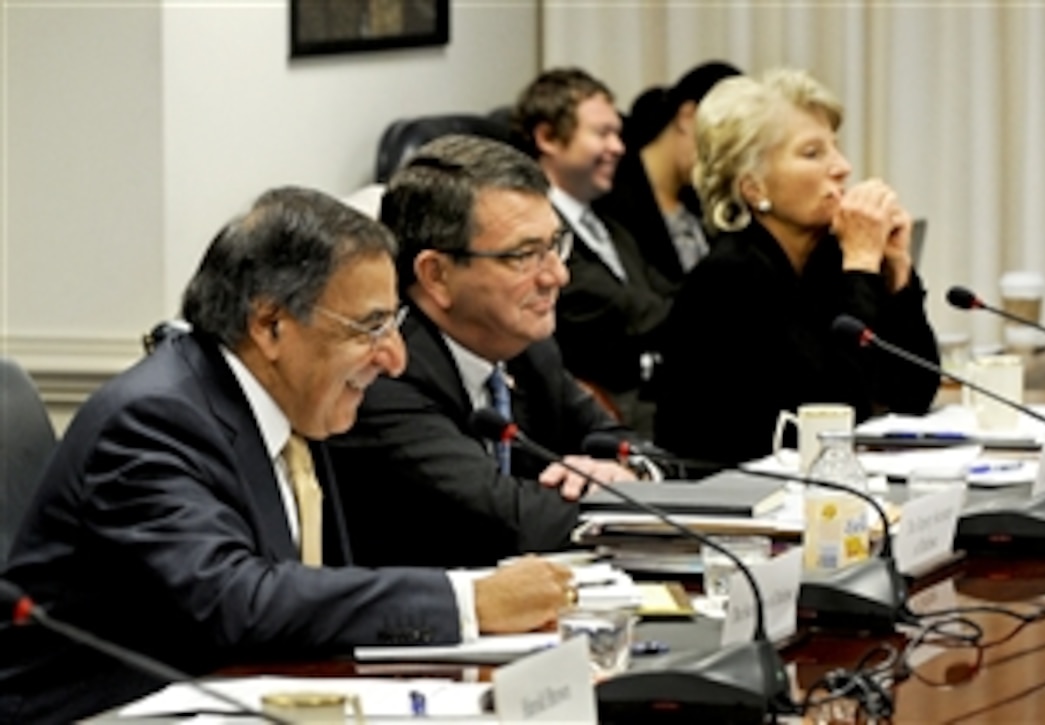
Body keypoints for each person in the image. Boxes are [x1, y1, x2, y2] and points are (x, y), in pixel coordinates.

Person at [0, 187, 572, 724]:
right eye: (370, 327)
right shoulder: (153, 421)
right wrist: (469, 600)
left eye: (393, 323)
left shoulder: (292, 402)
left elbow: (317, 589)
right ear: (271, 326)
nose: (395, 359)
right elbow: (239, 600)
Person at [327, 135, 647, 569]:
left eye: (554, 246)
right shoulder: (384, 375)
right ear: (436, 275)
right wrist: (625, 500)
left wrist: (630, 476)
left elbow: (624, 444)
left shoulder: (525, 346)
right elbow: (511, 520)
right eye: (524, 255)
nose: (557, 275)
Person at [654, 69, 940, 469]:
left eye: (836, 148)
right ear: (755, 188)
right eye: (812, 153)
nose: (842, 167)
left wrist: (897, 272)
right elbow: (835, 411)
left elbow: (914, 392)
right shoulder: (728, 279)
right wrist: (860, 266)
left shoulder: (824, 259)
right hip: (733, 503)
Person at [512, 68, 674, 437]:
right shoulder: (536, 237)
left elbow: (664, 293)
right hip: (603, 409)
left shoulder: (608, 221)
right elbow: (641, 315)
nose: (618, 147)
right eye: (603, 133)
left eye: (617, 133)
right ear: (548, 137)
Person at [598, 60, 743, 286]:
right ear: (688, 117)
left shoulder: (701, 204)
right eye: (726, 140)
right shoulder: (612, 193)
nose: (729, 157)